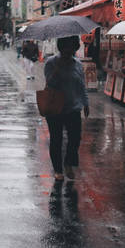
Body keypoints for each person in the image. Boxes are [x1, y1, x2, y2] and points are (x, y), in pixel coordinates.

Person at [43, 36, 89, 181]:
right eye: (66, 47)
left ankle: (69, 163)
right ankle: (58, 170)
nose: (69, 50)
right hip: (55, 107)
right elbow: (49, 83)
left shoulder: (78, 64)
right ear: (61, 47)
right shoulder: (51, 63)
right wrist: (57, 69)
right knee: (56, 139)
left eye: (72, 47)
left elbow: (82, 85)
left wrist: (86, 103)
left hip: (73, 107)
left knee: (75, 138)